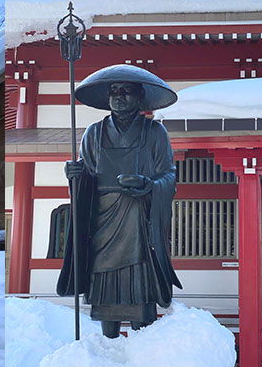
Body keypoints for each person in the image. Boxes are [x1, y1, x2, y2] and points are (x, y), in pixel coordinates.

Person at [58, 64, 182, 338]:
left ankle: (142, 342)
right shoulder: (94, 132)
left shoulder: (155, 132)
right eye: (114, 91)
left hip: (138, 214)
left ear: (140, 98)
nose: (119, 96)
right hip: (103, 215)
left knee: (139, 278)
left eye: (126, 91)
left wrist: (148, 184)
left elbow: (168, 176)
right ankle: (107, 342)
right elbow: (87, 175)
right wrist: (74, 176)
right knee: (104, 278)